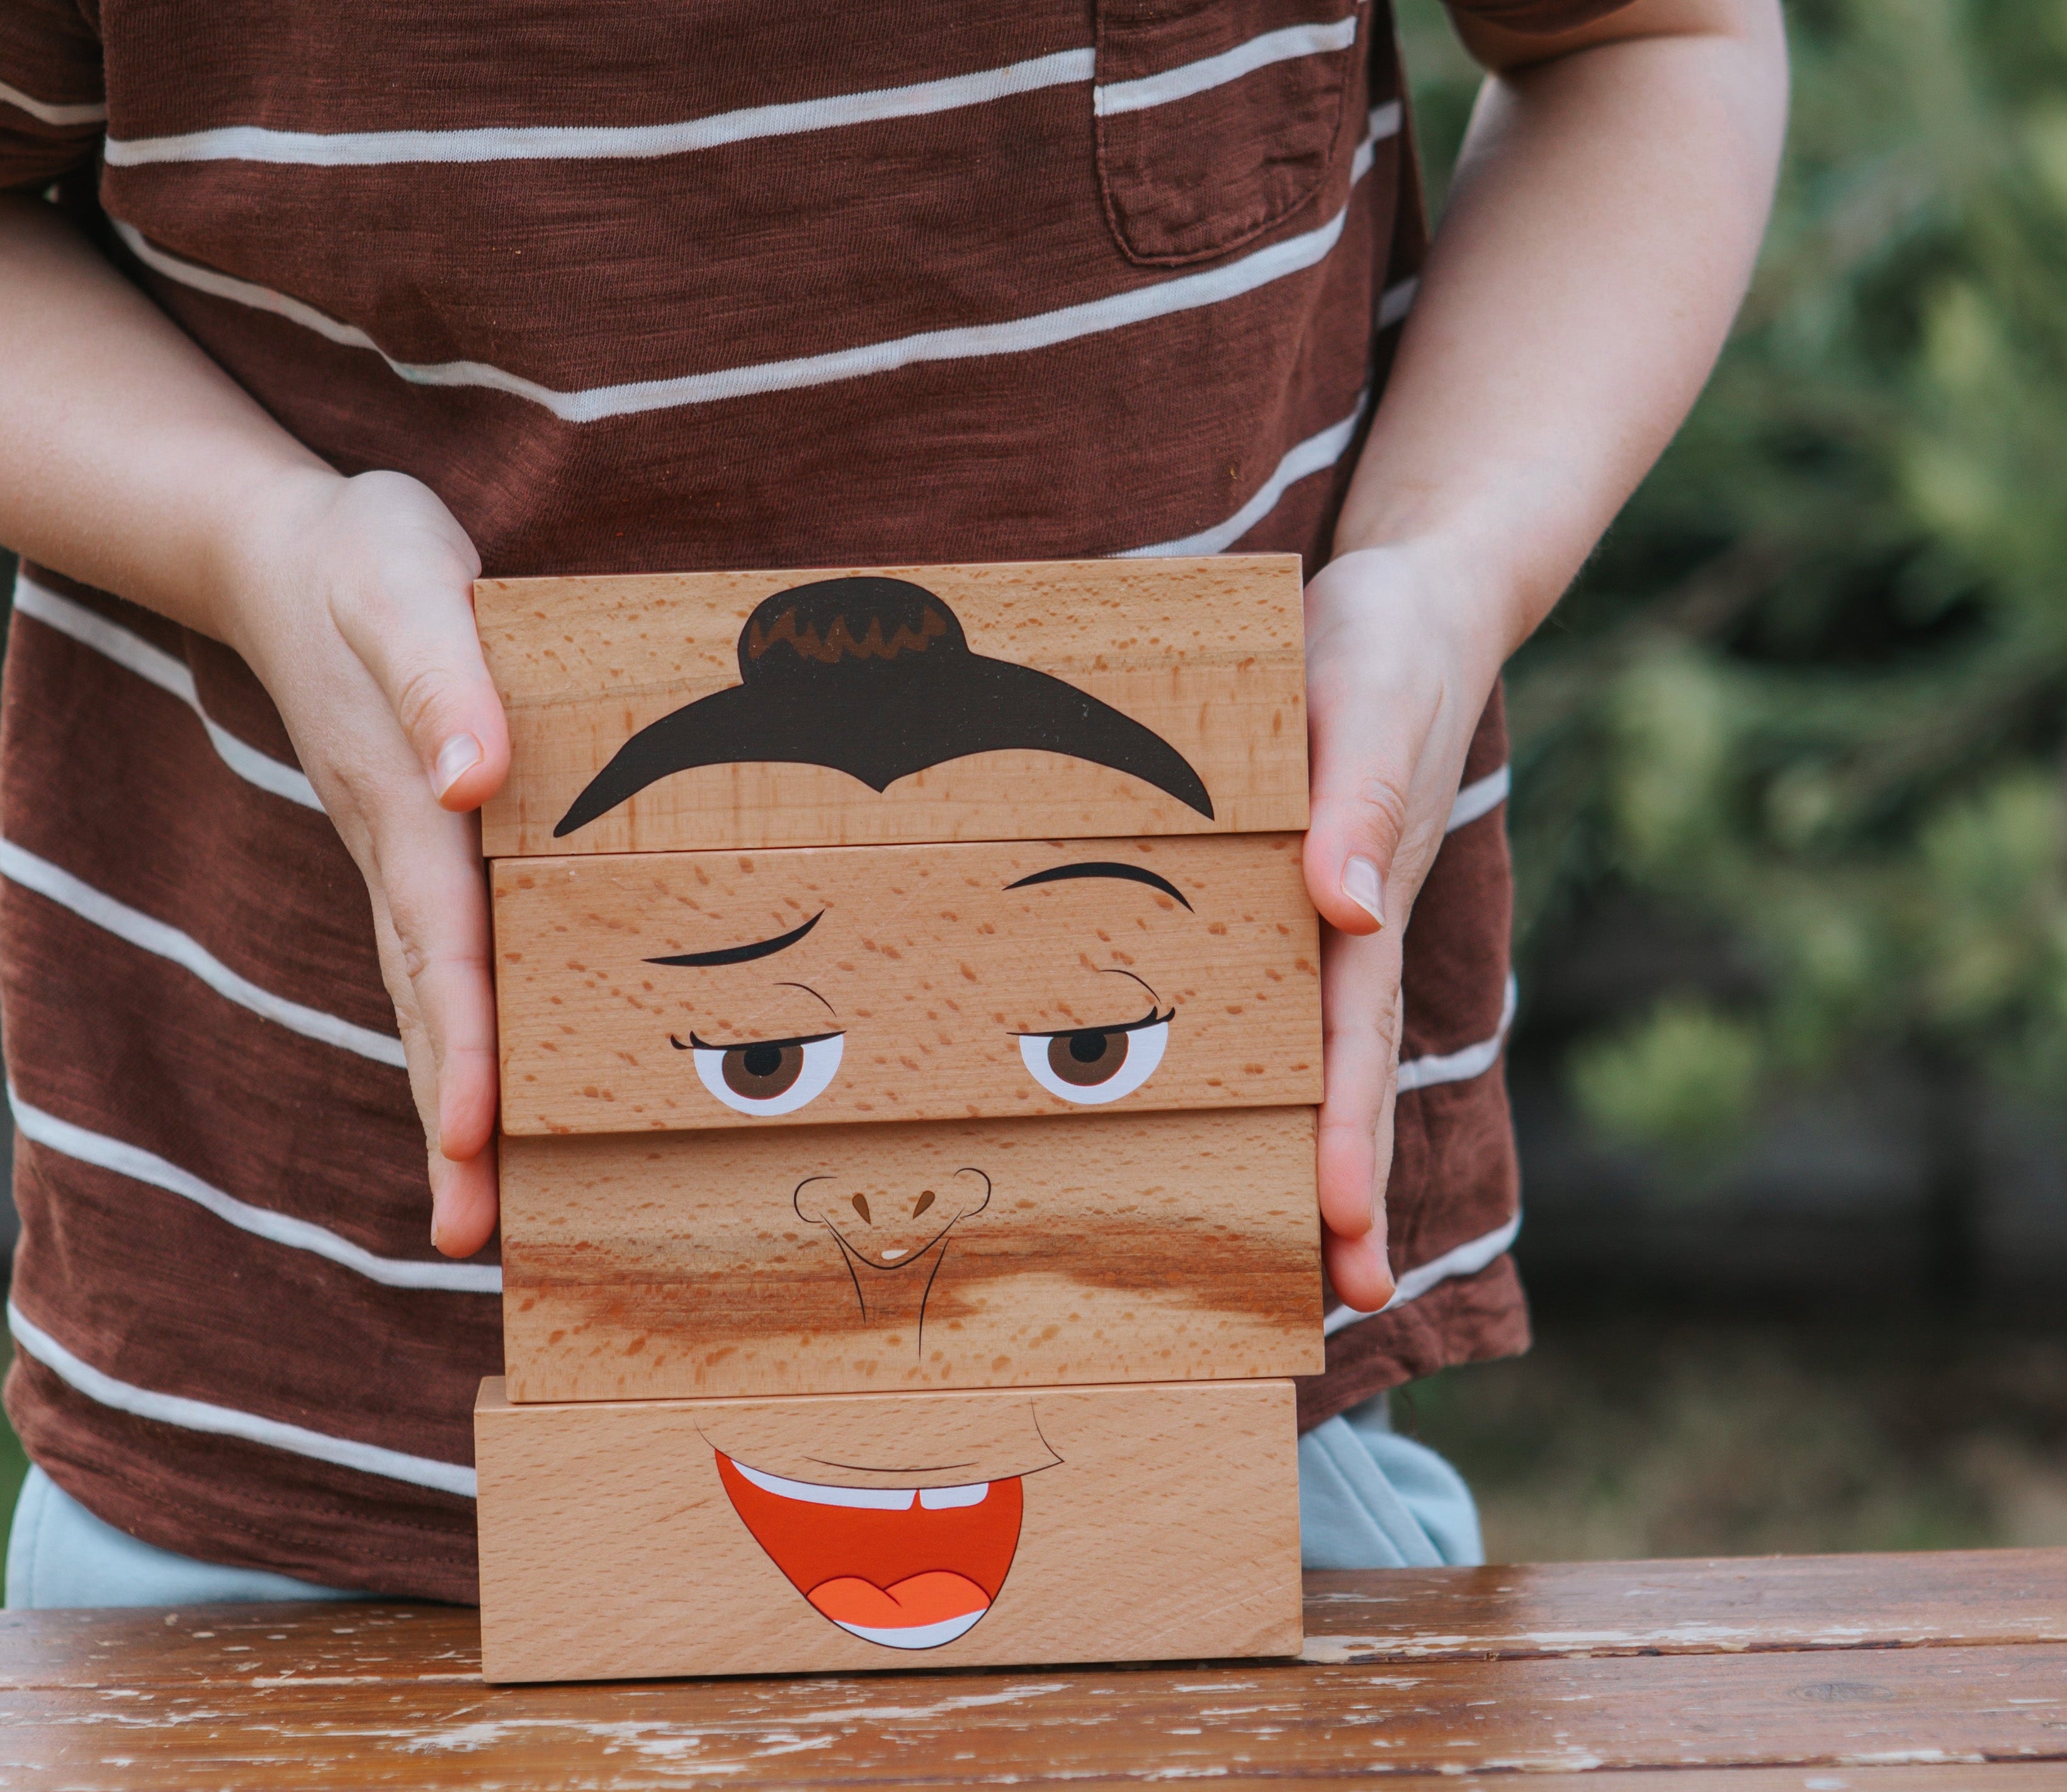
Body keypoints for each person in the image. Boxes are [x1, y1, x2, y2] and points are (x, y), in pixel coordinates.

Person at [0, 0, 1787, 1607]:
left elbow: (1648, 39)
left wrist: (1445, 567)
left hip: (1206, 1427)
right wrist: (257, 541)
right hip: (279, 1466)